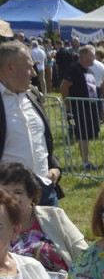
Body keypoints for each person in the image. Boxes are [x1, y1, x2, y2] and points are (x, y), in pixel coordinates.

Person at [0, 42, 63, 208]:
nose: (34, 73)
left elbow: (42, 138)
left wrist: (54, 167)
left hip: (45, 189)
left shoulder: (33, 95)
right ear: (10, 68)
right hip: (8, 196)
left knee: (57, 234)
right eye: (29, 67)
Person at [3, 162, 86, 275]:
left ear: (31, 196)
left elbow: (83, 253)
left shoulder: (54, 216)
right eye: (4, 193)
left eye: (18, 192)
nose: (11, 198)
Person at [60, 44, 101, 171]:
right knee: (83, 134)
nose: (94, 57)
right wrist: (69, 106)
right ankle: (85, 161)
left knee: (89, 133)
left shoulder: (89, 70)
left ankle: (87, 159)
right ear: (84, 56)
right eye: (91, 54)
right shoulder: (74, 69)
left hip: (91, 107)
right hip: (80, 107)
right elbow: (64, 87)